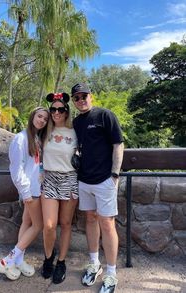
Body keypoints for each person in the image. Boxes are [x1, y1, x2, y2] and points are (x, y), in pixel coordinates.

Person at [71, 83, 124, 293]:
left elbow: (118, 144)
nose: (81, 100)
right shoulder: (76, 122)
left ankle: (111, 273)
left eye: (84, 95)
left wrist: (115, 174)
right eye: (77, 97)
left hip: (104, 180)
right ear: (74, 102)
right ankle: (95, 263)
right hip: (84, 180)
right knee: (90, 219)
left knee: (107, 224)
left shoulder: (105, 115)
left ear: (91, 97)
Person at [0, 107, 49, 281]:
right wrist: (25, 192)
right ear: (32, 116)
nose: (42, 120)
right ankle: (8, 260)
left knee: (27, 222)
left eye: (45, 119)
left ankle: (18, 260)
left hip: (36, 189)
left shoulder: (37, 139)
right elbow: (16, 170)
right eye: (39, 116)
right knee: (38, 225)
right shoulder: (20, 139)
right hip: (30, 191)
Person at [41, 92, 78, 284]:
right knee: (49, 225)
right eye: (53, 109)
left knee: (65, 224)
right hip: (49, 178)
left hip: (70, 179)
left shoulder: (75, 131)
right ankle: (48, 257)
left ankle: (61, 262)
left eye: (60, 109)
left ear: (66, 111)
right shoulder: (45, 130)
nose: (56, 112)